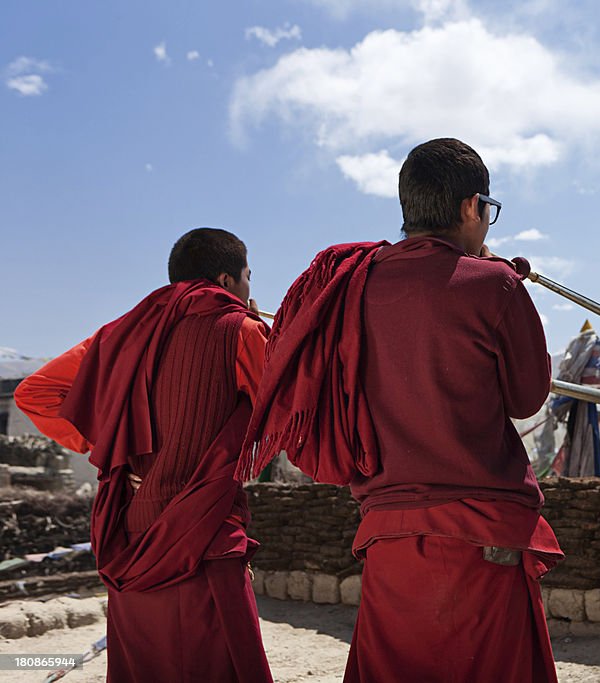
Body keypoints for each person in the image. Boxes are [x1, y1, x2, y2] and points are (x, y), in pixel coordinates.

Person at [241, 138, 563, 682]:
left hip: (389, 534)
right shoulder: (495, 284)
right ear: (470, 207)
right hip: (481, 535)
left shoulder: (350, 287)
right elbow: (528, 397)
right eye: (489, 210)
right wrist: (497, 280)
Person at [15, 228, 274, 682]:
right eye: (249, 276)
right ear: (227, 280)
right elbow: (291, 412)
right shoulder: (241, 331)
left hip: (135, 537)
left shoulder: (120, 335)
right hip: (205, 538)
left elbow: (35, 393)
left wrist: (114, 448)